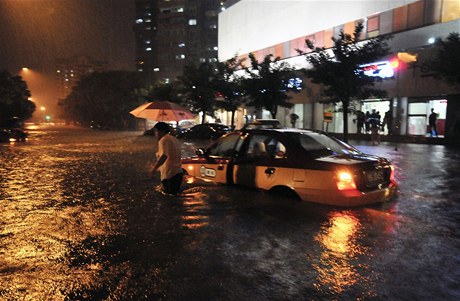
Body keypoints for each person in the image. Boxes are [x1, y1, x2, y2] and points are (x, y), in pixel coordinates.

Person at [151, 122, 183, 195]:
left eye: (156, 131)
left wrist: (154, 169)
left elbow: (164, 156)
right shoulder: (174, 139)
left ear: (161, 131)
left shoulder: (164, 140)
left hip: (169, 175)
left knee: (169, 201)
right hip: (178, 172)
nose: (155, 134)